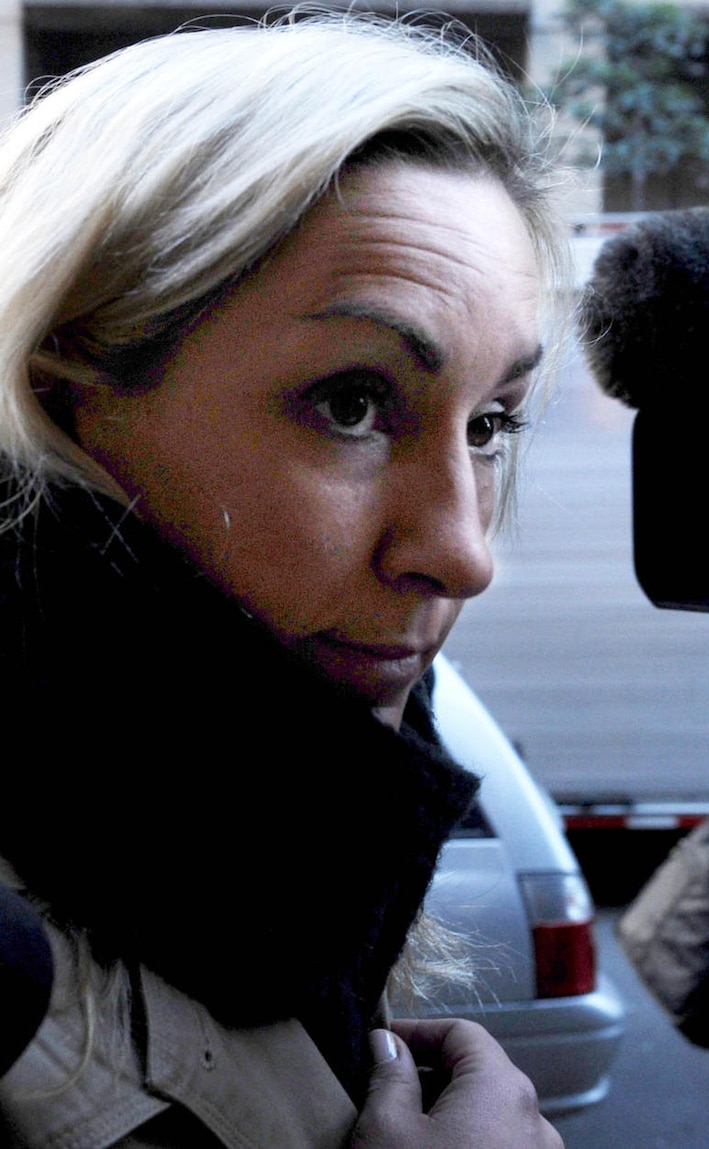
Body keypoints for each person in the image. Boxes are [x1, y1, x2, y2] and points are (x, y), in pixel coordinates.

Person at [0, 15, 568, 1148]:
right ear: (63, 389)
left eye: (491, 423)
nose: (463, 553)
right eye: (352, 404)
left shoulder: (276, 868)